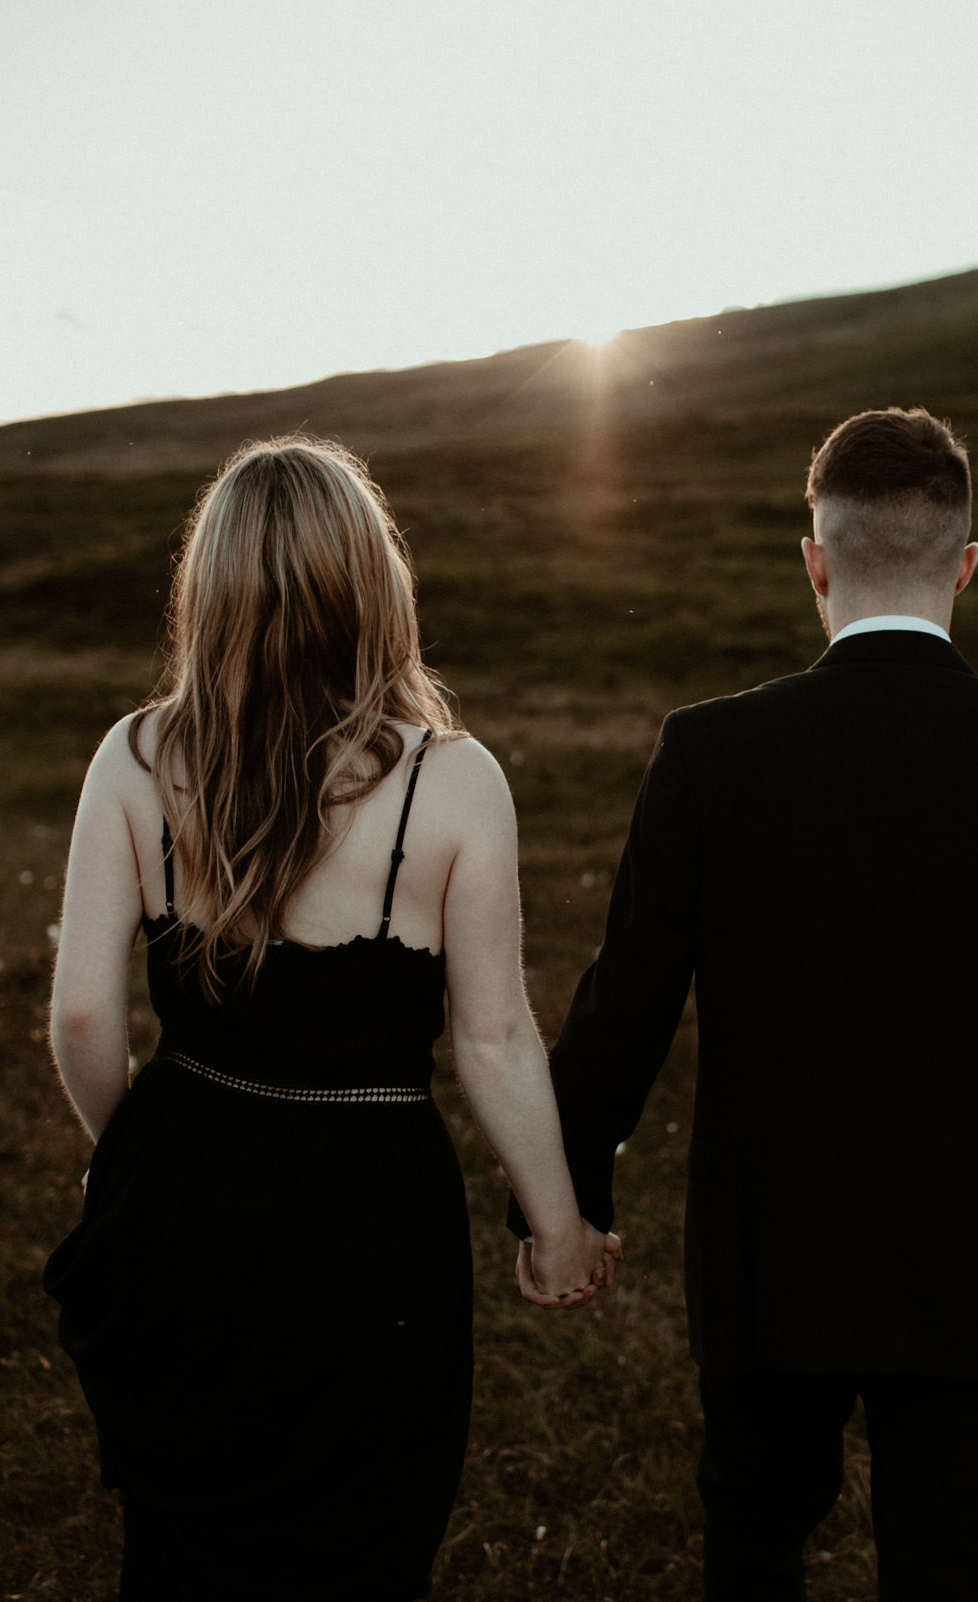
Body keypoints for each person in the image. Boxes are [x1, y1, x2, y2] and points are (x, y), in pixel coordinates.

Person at [510, 407, 978, 1600]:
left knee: (754, 1548)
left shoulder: (710, 753)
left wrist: (567, 1198)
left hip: (776, 1249)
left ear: (816, 562)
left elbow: (628, 1005)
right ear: (965, 564)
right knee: (955, 1563)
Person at [42, 435, 618, 1600]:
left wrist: (145, 1157)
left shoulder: (136, 756)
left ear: (204, 591)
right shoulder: (456, 784)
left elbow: (86, 1021)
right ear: (374, 583)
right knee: (358, 1542)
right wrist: (559, 1228)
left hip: (182, 1190)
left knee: (183, 1540)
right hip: (372, 1216)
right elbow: (495, 1036)